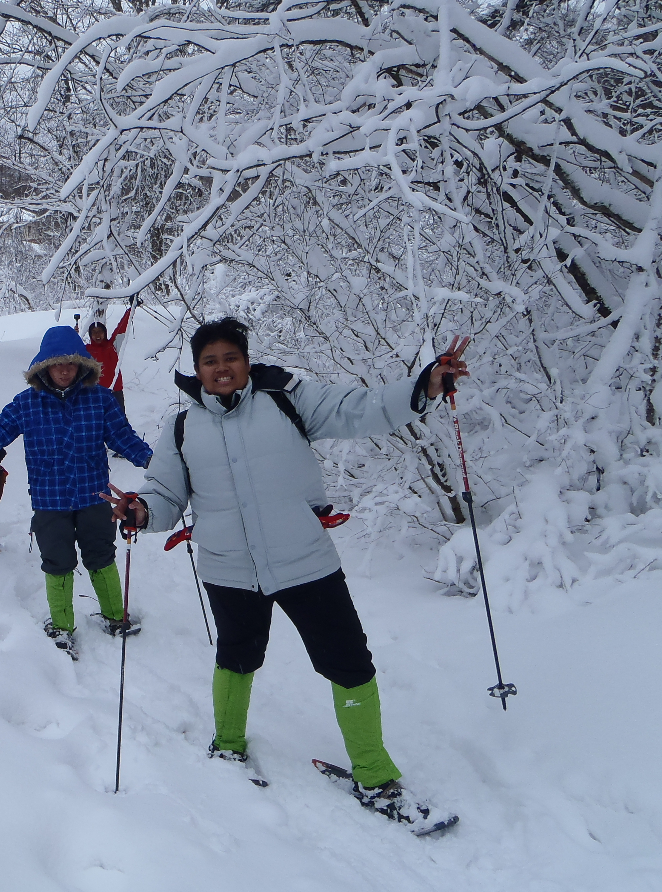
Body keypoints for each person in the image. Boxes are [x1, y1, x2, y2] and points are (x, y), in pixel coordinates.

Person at [104, 317, 469, 820]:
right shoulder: (183, 427)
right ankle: (227, 744)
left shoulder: (287, 399)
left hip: (306, 561)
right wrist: (142, 512)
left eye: (230, 357)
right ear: (197, 370)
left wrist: (421, 387)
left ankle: (375, 775)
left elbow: (357, 408)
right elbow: (164, 494)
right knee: (237, 656)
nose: (221, 368)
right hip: (229, 570)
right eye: (210, 361)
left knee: (349, 662)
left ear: (246, 361)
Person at [0, 325, 153, 658]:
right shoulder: (26, 404)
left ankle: (116, 617)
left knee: (101, 556)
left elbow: (123, 438)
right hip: (50, 502)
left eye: (71, 363)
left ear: (82, 365)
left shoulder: (100, 399)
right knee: (57, 562)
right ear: (43, 366)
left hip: (95, 498)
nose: (64, 370)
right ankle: (62, 626)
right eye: (56, 363)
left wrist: (157, 463)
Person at [85, 306, 132, 416]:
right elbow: (70, 348)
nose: (97, 335)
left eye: (100, 331)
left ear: (105, 333)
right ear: (90, 335)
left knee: (120, 422)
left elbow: (122, 328)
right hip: (95, 394)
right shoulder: (86, 351)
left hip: (115, 392)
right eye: (94, 332)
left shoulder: (112, 346)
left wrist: (130, 309)